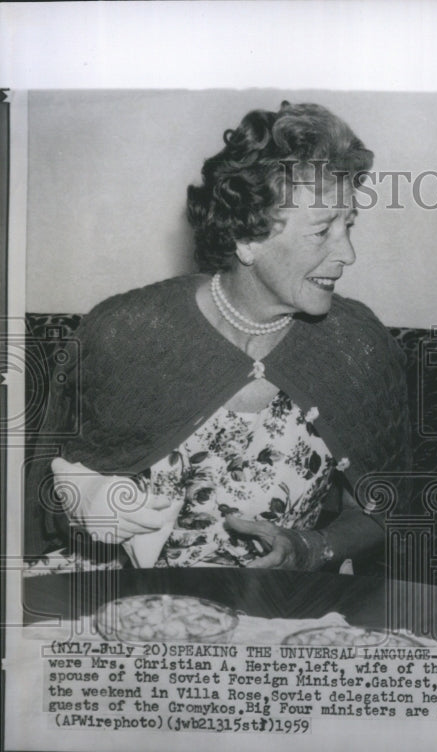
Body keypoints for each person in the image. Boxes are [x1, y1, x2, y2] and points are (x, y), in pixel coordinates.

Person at [26, 101, 410, 572]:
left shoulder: (357, 345)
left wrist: (309, 549)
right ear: (247, 237)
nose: (347, 252)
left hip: (271, 606)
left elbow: (383, 510)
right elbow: (44, 504)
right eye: (322, 231)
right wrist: (85, 504)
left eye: (348, 225)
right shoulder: (125, 331)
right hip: (112, 592)